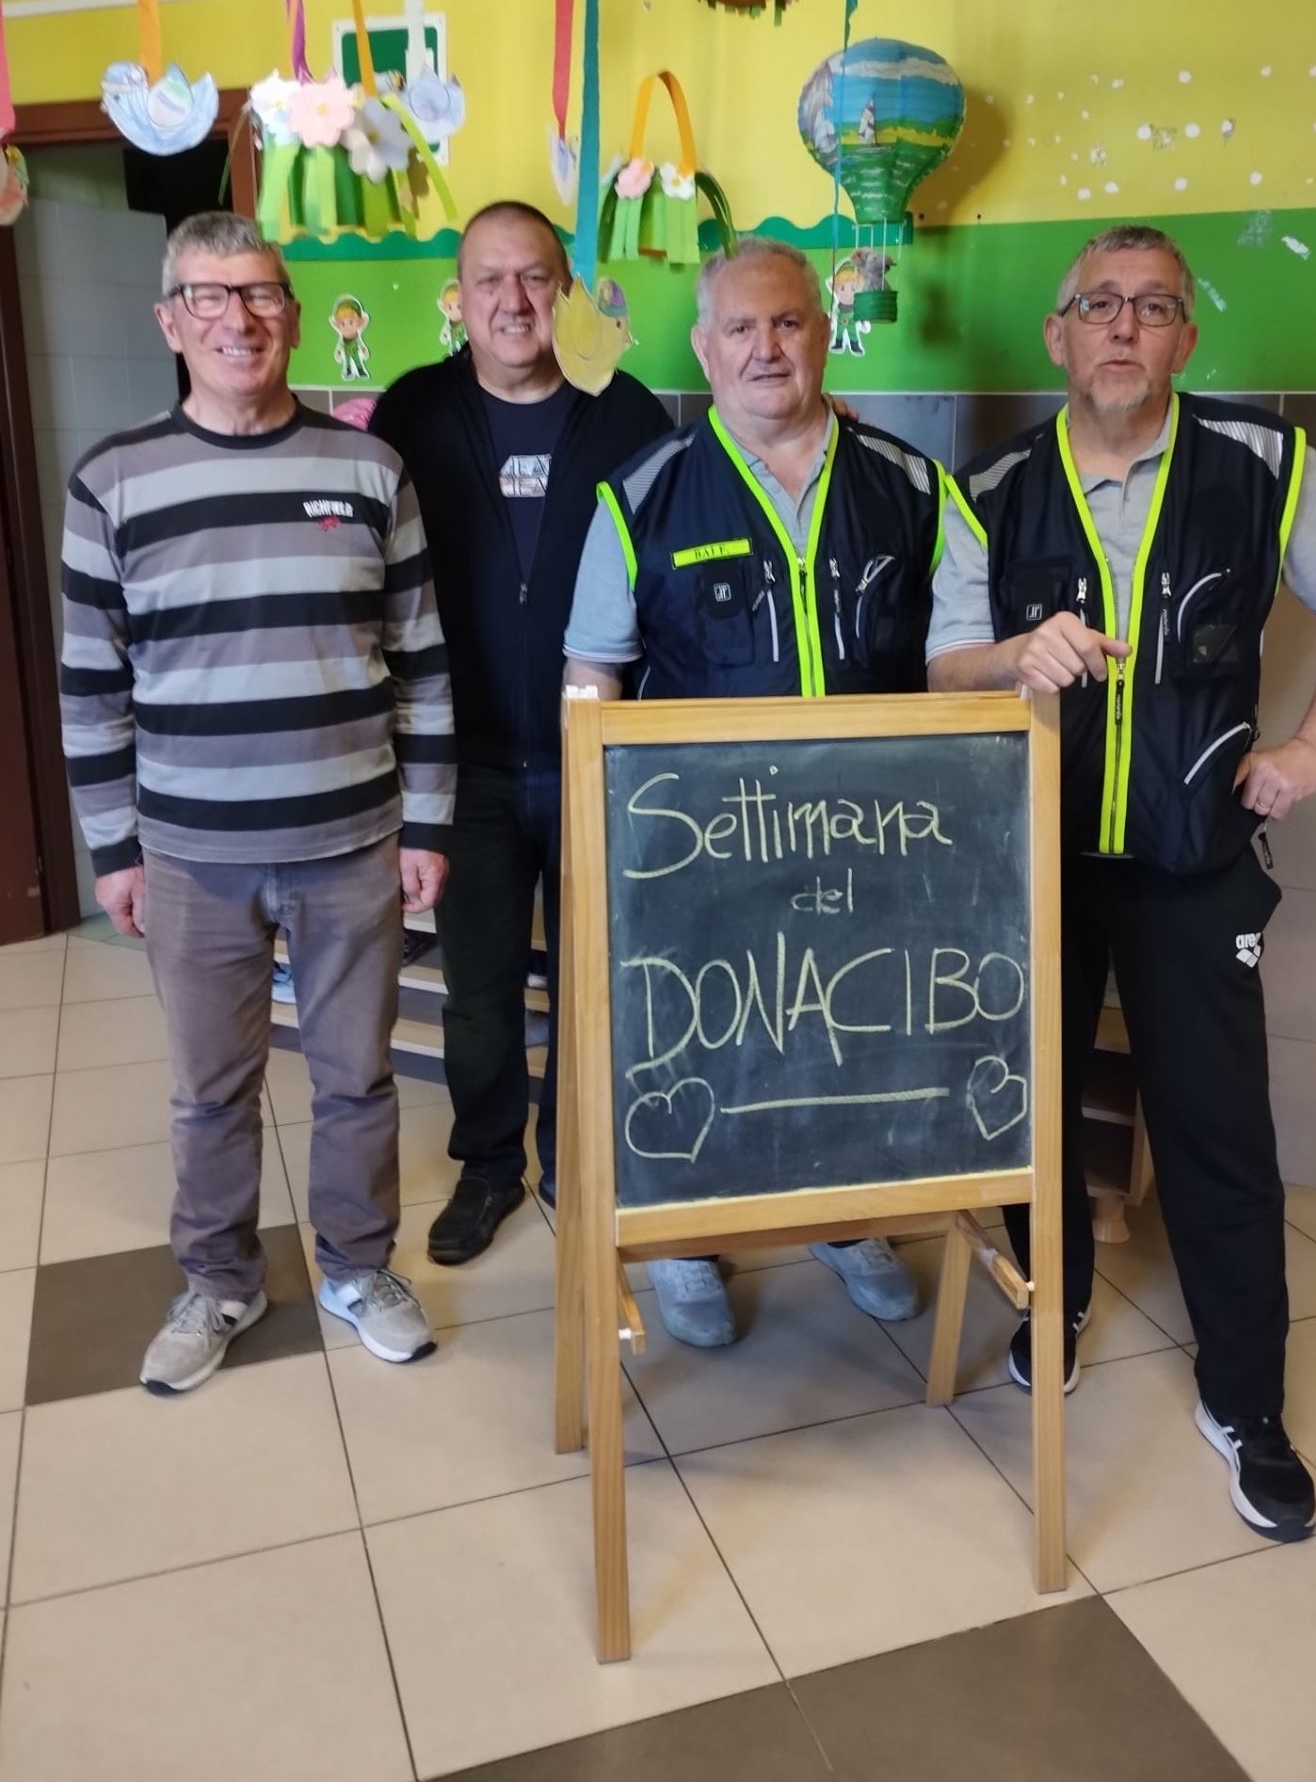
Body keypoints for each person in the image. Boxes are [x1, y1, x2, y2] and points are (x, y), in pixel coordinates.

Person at [928, 223, 1316, 1543]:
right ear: (1058, 334)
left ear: (1187, 335)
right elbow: (943, 665)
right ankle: (1056, 1301)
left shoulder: (1262, 463)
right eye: (1098, 304)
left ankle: (1248, 1404)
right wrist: (1015, 654)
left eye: (1152, 305)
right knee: (1029, 1108)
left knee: (1218, 1136)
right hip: (1035, 858)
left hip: (1194, 862)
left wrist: (1313, 748)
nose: (1123, 326)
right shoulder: (993, 484)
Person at [59, 211, 454, 1393]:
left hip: (354, 842)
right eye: (209, 295)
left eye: (262, 293)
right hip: (190, 854)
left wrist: (427, 822)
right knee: (211, 1092)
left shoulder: (370, 468)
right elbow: (91, 688)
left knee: (357, 1080)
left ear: (293, 313)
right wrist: (114, 851)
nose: (239, 318)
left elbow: (423, 662)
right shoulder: (112, 481)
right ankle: (220, 1281)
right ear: (170, 320)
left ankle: (357, 1268)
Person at [562, 235, 947, 1349]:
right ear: (705, 347)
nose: (766, 348)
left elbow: (959, 659)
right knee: (705, 1046)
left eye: (787, 323)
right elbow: (592, 675)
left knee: (844, 1039)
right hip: (701, 854)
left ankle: (841, 1220)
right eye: (741, 327)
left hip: (868, 842)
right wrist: (602, 842)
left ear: (824, 335)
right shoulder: (641, 497)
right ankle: (686, 1238)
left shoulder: (911, 486)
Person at [370, 202, 673, 1265]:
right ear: (459, 298)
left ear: (566, 290)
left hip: (601, 763)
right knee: (482, 994)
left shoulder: (627, 412)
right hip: (464, 769)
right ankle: (491, 1166)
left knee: (602, 984)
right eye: (489, 280)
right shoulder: (411, 412)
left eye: (535, 277)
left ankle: (583, 1159)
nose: (512, 301)